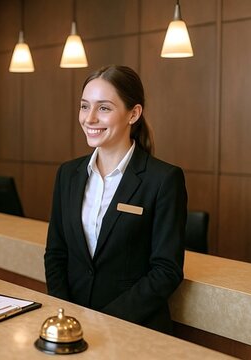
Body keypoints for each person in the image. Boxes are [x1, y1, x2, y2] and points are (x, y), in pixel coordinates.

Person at [44, 65, 187, 334]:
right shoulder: (68, 174)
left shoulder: (163, 179)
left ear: (134, 113)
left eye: (104, 108)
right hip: (73, 328)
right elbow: (56, 253)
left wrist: (105, 321)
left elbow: (166, 270)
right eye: (85, 106)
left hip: (135, 331)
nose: (90, 118)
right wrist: (67, 313)